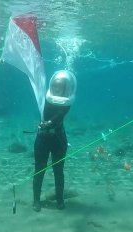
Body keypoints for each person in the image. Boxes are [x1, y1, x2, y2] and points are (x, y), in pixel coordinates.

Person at [32, 70, 77, 212]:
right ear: (52, 86)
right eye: (55, 86)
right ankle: (36, 200)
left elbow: (59, 116)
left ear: (65, 89)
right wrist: (44, 124)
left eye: (60, 87)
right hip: (42, 138)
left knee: (58, 171)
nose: (56, 89)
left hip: (58, 138)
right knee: (39, 169)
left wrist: (49, 123)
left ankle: (59, 200)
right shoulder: (44, 97)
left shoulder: (67, 102)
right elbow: (41, 111)